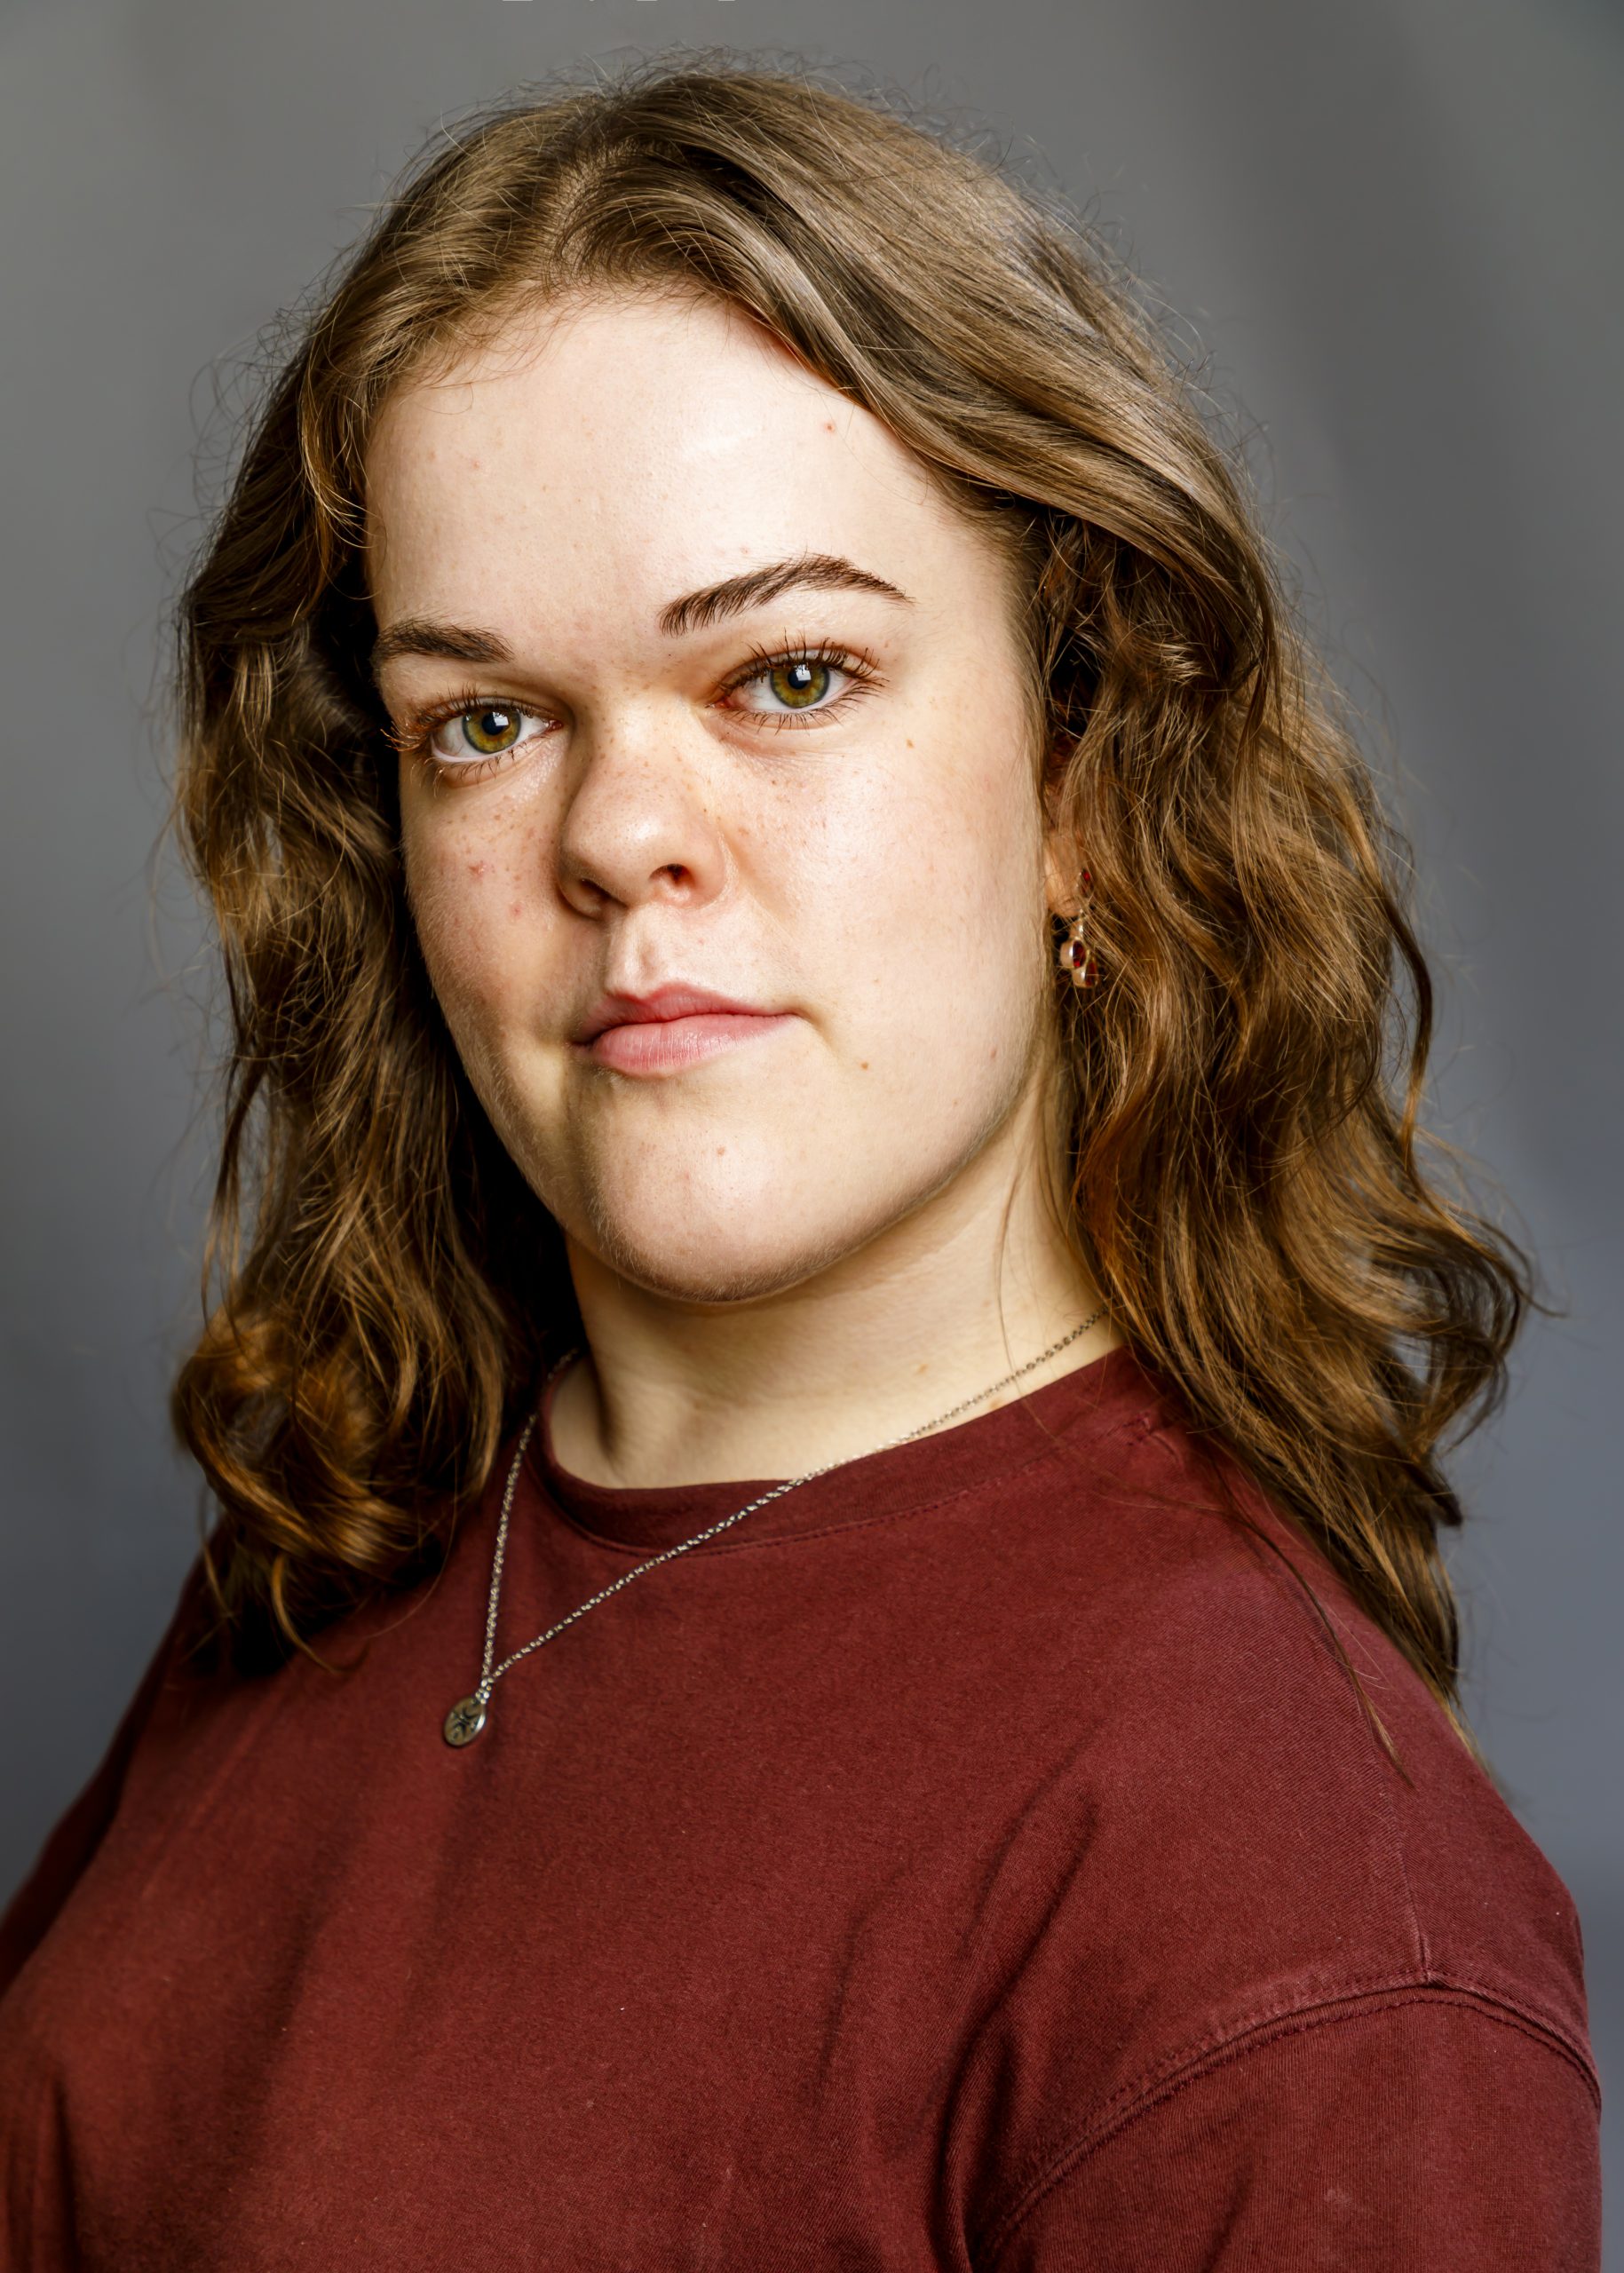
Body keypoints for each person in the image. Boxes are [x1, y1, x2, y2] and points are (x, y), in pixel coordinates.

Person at [0, 52, 1600, 2269]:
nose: (617, 833)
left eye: (788, 673)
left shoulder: (1297, 1931)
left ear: (1084, 774)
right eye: (484, 716)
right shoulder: (359, 1507)